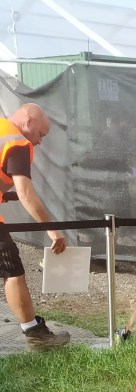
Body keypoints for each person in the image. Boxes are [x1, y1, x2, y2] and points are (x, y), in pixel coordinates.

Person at [0, 103, 70, 350]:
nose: (40, 142)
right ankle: (36, 335)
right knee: (12, 270)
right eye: (41, 134)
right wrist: (53, 230)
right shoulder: (16, 142)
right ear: (28, 122)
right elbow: (26, 193)